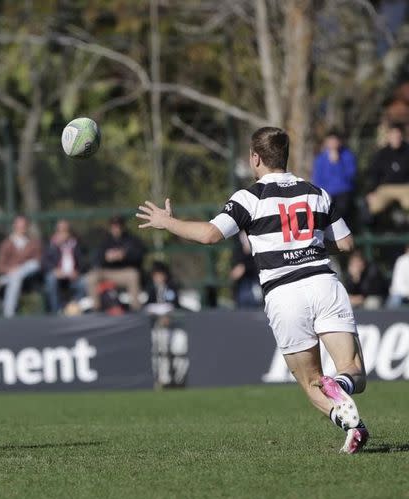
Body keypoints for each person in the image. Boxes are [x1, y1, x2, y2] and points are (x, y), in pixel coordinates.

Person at [136, 127, 369, 454]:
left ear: (255, 158)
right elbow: (346, 242)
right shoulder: (316, 191)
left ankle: (349, 421)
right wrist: (308, 246)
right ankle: (344, 393)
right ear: (284, 156)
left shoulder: (249, 198)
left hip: (284, 294)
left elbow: (210, 235)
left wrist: (167, 222)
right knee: (353, 370)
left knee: (312, 382)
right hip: (323, 283)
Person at [84, 216, 146, 311]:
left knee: (134, 275)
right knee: (91, 277)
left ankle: (135, 308)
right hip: (106, 272)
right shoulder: (105, 240)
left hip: (124, 272)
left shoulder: (131, 239)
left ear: (123, 226)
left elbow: (140, 254)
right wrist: (106, 257)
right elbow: (95, 258)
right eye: (114, 226)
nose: (116, 228)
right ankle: (97, 309)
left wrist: (124, 255)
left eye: (118, 226)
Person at [0, 215, 42, 318]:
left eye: (23, 226)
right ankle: (9, 314)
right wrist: (11, 270)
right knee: (16, 278)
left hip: (30, 275)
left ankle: (4, 280)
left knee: (33, 264)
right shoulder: (6, 244)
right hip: (13, 276)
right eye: (19, 226)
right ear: (14, 226)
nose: (21, 228)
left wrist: (18, 270)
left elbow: (38, 262)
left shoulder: (33, 242)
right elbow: (0, 266)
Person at [311, 130, 357, 224]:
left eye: (335, 141)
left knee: (342, 207)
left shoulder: (347, 156)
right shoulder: (320, 159)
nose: (332, 144)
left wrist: (337, 163)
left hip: (343, 192)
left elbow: (350, 176)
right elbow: (317, 179)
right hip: (326, 193)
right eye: (330, 141)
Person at [365, 123, 409, 220]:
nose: (396, 138)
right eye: (393, 135)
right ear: (389, 137)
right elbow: (374, 174)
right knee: (374, 205)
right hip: (385, 188)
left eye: (398, 136)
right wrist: (370, 191)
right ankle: (374, 230)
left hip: (405, 187)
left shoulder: (407, 151)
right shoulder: (381, 154)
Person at [42, 219, 86, 313]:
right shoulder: (51, 244)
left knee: (83, 283)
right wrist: (55, 270)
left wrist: (77, 271)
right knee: (51, 279)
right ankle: (56, 310)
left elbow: (83, 261)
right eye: (60, 230)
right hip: (58, 275)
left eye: (65, 230)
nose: (63, 233)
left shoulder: (76, 244)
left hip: (73, 275)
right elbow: (45, 262)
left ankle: (73, 307)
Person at [230, 231, 262, 308]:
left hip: (255, 276)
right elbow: (237, 253)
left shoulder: (257, 230)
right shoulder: (237, 234)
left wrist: (244, 267)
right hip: (242, 280)